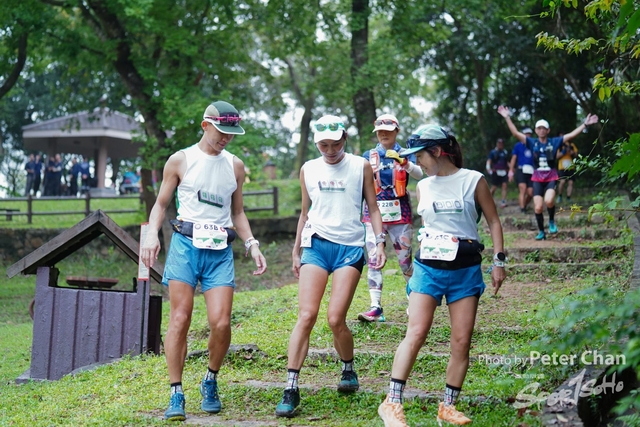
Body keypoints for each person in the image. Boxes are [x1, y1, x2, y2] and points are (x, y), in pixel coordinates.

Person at [140, 100, 267, 421]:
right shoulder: (180, 160)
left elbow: (238, 212)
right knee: (179, 319)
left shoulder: (235, 166)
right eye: (221, 131)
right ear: (205, 125)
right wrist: (152, 234)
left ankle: (210, 379)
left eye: (231, 134)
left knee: (221, 323)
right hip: (185, 247)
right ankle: (176, 392)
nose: (226, 138)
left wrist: (252, 244)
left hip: (219, 251)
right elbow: (160, 204)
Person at [377, 124, 506, 427]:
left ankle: (448, 406)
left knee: (461, 341)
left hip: (465, 270)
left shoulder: (474, 181)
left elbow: (493, 222)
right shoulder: (423, 186)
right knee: (416, 332)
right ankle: (392, 402)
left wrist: (499, 261)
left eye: (420, 156)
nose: (416, 162)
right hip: (429, 270)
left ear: (436, 151)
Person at [275, 114, 387, 418]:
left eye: (335, 144)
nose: (330, 150)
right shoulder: (308, 169)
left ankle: (348, 367)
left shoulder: (360, 166)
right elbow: (304, 212)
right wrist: (296, 250)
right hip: (316, 245)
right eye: (323, 145)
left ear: (345, 138)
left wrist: (379, 242)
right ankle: (291, 387)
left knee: (336, 319)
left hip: (349, 247)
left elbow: (373, 207)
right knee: (306, 315)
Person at [358, 113, 423, 322]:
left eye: (388, 131)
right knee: (374, 259)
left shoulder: (406, 153)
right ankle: (375, 307)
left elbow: (420, 174)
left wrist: (405, 163)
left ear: (397, 131)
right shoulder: (368, 156)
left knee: (405, 261)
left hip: (400, 213)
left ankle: (415, 302)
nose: (383, 134)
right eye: (380, 132)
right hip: (373, 213)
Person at [497, 106, 598, 240]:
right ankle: (541, 231)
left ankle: (551, 221)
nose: (541, 130)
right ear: (536, 130)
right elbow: (515, 133)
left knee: (549, 200)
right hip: (537, 177)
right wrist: (507, 117)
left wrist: (585, 124)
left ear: (548, 130)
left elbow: (571, 135)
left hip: (551, 176)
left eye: (544, 128)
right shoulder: (532, 142)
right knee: (538, 207)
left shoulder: (554, 142)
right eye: (539, 128)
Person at [508, 127, 534, 213]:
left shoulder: (534, 145)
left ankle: (524, 205)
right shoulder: (518, 146)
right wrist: (511, 171)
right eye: (526, 134)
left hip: (531, 170)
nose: (528, 136)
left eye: (529, 134)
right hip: (521, 169)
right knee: (523, 189)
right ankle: (522, 209)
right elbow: (513, 158)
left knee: (530, 192)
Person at [486, 138, 509, 208]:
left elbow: (507, 162)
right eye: (499, 143)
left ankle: (503, 201)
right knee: (494, 187)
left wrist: (511, 170)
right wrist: (488, 168)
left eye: (501, 143)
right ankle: (487, 200)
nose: (500, 145)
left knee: (504, 185)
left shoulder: (505, 152)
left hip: (504, 171)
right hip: (496, 171)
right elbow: (489, 160)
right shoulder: (493, 152)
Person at [556, 138, 578, 204]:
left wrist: (571, 152)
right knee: (562, 181)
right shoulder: (559, 145)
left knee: (571, 182)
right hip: (562, 167)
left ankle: (568, 197)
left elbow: (576, 155)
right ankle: (560, 196)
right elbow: (557, 156)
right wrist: (564, 151)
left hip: (570, 166)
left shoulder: (571, 145)